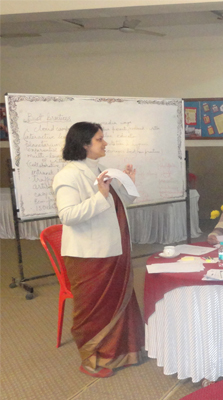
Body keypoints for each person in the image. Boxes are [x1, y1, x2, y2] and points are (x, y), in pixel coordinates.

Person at [52, 122, 144, 378]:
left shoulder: (99, 168)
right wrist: (101, 195)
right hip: (89, 256)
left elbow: (119, 203)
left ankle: (121, 353)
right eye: (99, 139)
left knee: (116, 304)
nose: (105, 143)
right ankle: (91, 361)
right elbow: (68, 215)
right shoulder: (67, 176)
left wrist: (128, 185)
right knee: (93, 311)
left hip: (113, 248)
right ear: (84, 144)